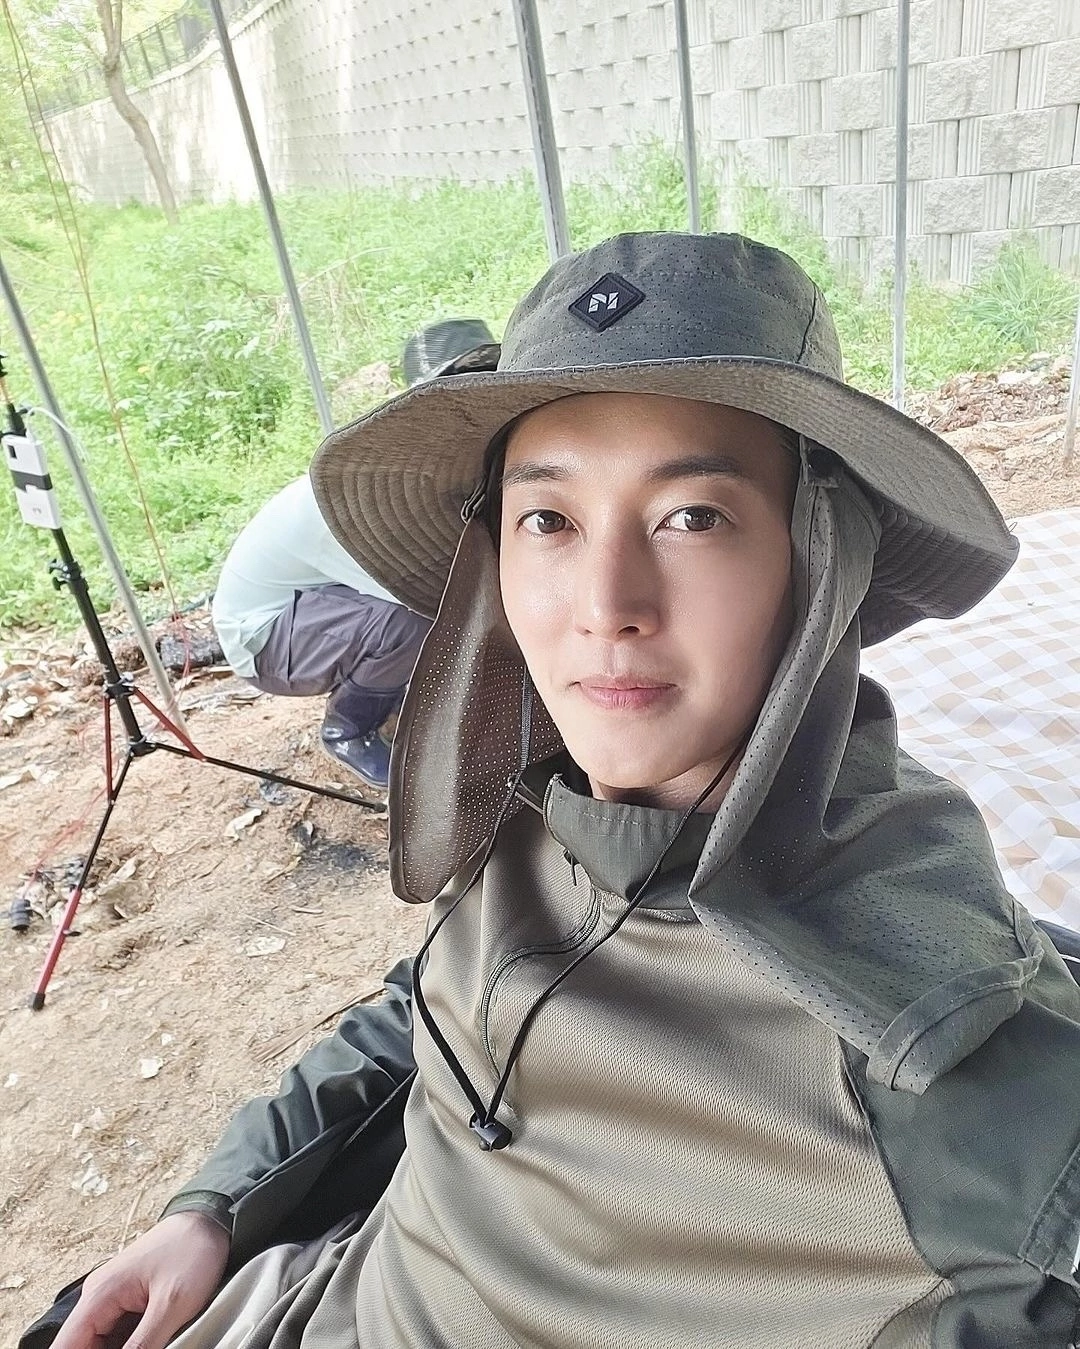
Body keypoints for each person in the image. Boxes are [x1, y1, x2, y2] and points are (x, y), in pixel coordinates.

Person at [31, 233, 1080, 1349]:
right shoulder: (537, 799)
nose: (605, 605)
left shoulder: (928, 1057)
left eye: (693, 516)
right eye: (550, 520)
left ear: (822, 559)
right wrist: (216, 1204)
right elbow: (426, 1003)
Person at [210, 319, 499, 790]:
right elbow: (423, 593)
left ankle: (403, 698)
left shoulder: (432, 464)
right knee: (407, 624)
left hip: (320, 600)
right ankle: (350, 729)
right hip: (266, 638)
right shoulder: (371, 488)